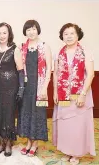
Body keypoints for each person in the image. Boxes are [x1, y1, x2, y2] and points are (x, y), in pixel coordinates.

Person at [53, 23, 96, 165]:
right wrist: (54, 92)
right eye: (66, 34)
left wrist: (83, 93)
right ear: (62, 36)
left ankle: (76, 154)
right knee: (66, 125)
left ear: (78, 35)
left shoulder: (86, 52)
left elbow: (90, 75)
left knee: (78, 126)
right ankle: (67, 151)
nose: (69, 36)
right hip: (63, 94)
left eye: (72, 33)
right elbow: (56, 75)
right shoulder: (59, 54)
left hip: (80, 95)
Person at [17, 20, 52, 157]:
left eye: (33, 29)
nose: (31, 32)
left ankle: (35, 143)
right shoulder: (22, 47)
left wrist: (45, 87)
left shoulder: (44, 46)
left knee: (37, 114)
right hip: (26, 86)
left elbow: (49, 68)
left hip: (40, 86)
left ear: (38, 30)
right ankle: (28, 142)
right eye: (28, 30)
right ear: (25, 32)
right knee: (26, 113)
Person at [0, 22, 24, 157]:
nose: (2, 35)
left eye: (4, 33)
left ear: (9, 34)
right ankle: (0, 141)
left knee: (9, 114)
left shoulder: (15, 49)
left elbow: (21, 71)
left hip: (11, 86)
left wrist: (21, 88)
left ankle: (9, 142)